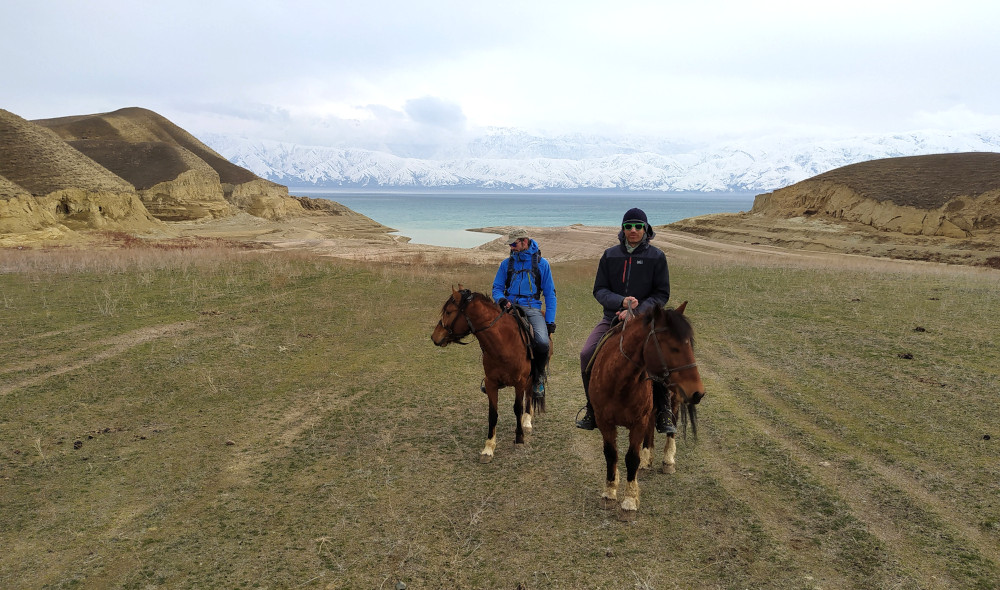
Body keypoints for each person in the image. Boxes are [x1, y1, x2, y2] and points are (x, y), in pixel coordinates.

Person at [575, 208, 674, 433]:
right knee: (586, 354)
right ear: (623, 229)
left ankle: (664, 411)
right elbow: (599, 290)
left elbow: (662, 294)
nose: (633, 230)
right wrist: (621, 302)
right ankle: (591, 408)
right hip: (612, 317)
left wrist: (637, 310)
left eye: (638, 226)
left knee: (661, 359)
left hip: (645, 320)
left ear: (646, 229)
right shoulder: (609, 255)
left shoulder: (657, 257)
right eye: (628, 226)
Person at [491, 228, 557, 398]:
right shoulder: (506, 264)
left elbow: (550, 294)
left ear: (524, 242)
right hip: (509, 307)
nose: (511, 247)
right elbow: (497, 288)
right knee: (490, 335)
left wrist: (549, 321)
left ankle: (538, 378)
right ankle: (493, 376)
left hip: (532, 308)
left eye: (514, 244)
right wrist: (501, 300)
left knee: (542, 343)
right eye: (510, 245)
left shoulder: (542, 264)